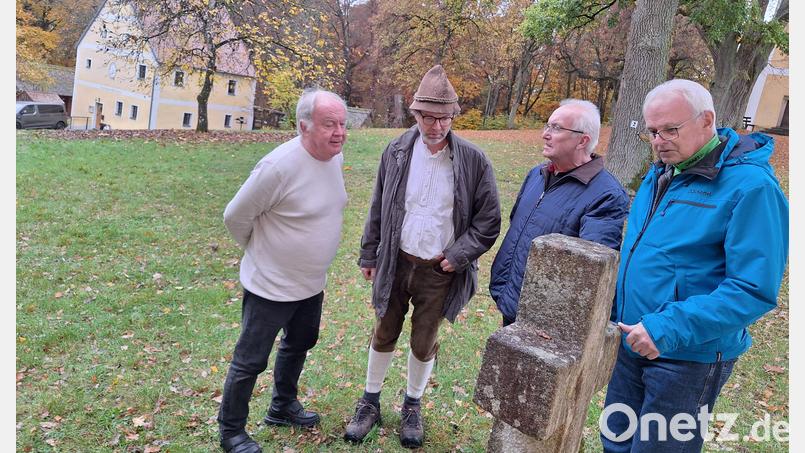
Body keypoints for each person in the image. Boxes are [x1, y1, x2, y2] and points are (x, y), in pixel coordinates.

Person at [602, 79, 788, 452]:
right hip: (632, 339)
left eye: (671, 129)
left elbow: (753, 289)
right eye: (652, 131)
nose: (659, 140)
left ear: (707, 120)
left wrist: (664, 327)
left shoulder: (751, 188)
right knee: (616, 442)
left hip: (687, 359)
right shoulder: (663, 173)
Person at [343, 65, 501, 448]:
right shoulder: (396, 151)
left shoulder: (473, 161)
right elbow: (379, 205)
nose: (436, 126)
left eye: (444, 118)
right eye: (428, 118)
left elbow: (489, 219)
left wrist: (458, 255)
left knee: (423, 339)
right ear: (415, 115)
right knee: (384, 331)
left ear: (453, 117)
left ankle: (412, 404)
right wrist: (370, 252)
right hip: (396, 261)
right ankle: (370, 400)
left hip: (439, 270)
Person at [217, 89, 348, 453]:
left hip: (310, 283)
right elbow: (235, 216)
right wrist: (261, 253)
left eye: (342, 124)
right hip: (271, 286)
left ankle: (282, 406)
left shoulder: (334, 158)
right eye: (329, 124)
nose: (339, 132)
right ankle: (231, 431)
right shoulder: (277, 167)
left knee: (300, 342)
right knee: (250, 360)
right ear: (303, 126)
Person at [489, 99, 629, 326]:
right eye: (547, 125)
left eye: (556, 128)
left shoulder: (606, 195)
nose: (546, 133)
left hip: (549, 319)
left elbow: (591, 269)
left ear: (582, 140)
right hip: (511, 298)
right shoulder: (537, 174)